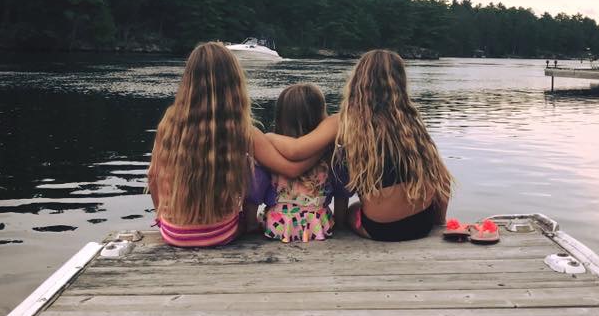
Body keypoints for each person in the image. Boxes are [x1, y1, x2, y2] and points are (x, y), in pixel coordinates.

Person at [147, 42, 321, 248]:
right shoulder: (243, 131)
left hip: (173, 233)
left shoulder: (169, 123)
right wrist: (324, 146)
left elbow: (153, 176)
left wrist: (162, 219)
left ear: (188, 82)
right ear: (234, 84)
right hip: (221, 233)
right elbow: (291, 169)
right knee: (260, 171)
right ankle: (249, 223)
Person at [266, 49, 451, 242]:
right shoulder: (411, 124)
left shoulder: (345, 121)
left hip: (380, 229)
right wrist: (439, 221)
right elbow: (443, 181)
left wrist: (268, 137)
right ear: (401, 83)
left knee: (353, 210)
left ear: (357, 82)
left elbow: (296, 150)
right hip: (423, 223)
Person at [260, 83, 350, 242]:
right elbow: (341, 193)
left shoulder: (271, 150)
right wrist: (341, 223)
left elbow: (257, 190)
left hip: (278, 226)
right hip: (317, 226)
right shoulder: (332, 153)